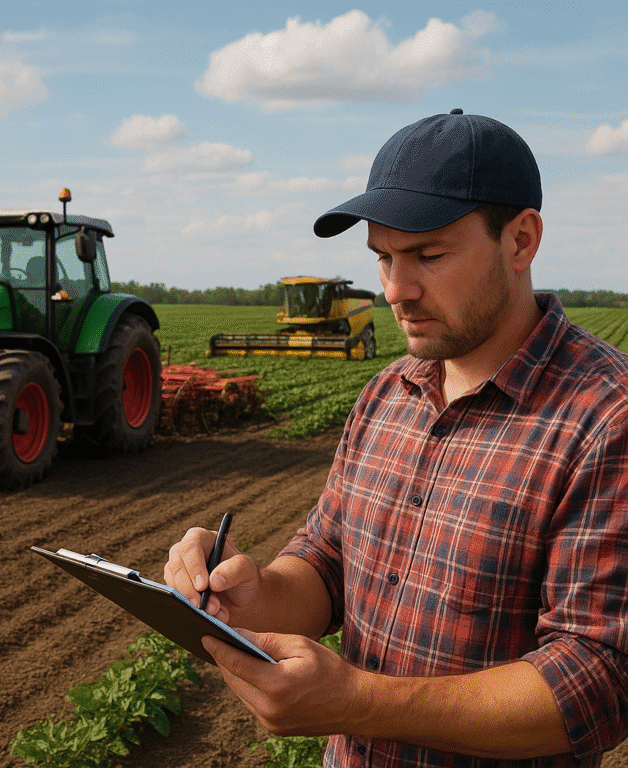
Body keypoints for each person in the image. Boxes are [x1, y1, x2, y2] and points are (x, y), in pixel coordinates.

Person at [164, 109, 628, 768]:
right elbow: (327, 561)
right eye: (382, 257)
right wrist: (256, 593)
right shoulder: (388, 393)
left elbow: (599, 680)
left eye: (428, 256)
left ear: (520, 241)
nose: (394, 290)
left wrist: (356, 701)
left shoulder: (605, 417)